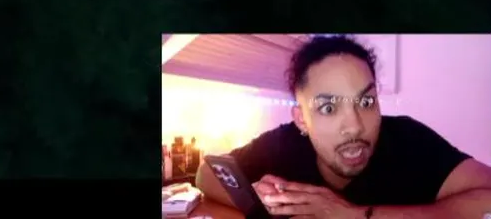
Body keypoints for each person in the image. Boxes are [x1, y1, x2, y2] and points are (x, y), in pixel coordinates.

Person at [194, 34, 491, 219]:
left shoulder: (409, 141)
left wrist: (356, 215)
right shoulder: (283, 144)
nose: (355, 127)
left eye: (366, 102)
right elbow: (206, 173)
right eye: (328, 108)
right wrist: (253, 198)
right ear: (302, 120)